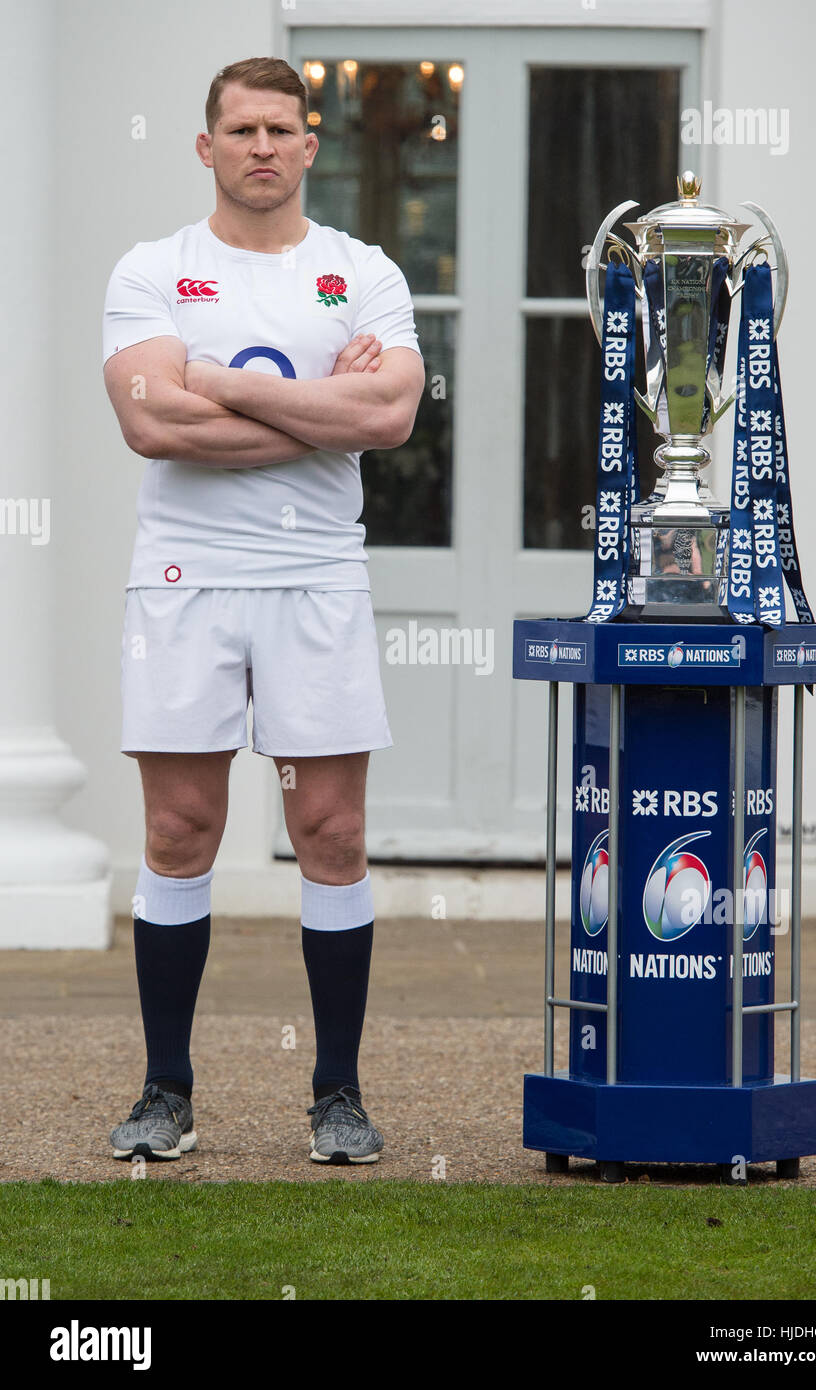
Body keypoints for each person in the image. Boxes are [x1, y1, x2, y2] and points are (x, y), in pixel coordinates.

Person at [101, 56, 424, 1166]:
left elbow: (390, 415)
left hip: (316, 578)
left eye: (281, 129)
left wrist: (225, 383)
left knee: (330, 833)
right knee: (178, 831)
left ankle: (336, 1093)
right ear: (207, 145)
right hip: (183, 576)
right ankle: (165, 1090)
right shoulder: (153, 268)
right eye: (240, 129)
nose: (261, 148)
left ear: (310, 145)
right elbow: (151, 425)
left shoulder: (361, 270)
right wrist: (320, 410)